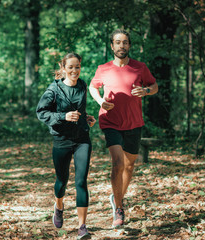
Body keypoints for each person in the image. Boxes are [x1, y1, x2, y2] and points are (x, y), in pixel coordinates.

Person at [89, 29, 158, 228]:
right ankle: (119, 208)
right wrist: (101, 101)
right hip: (110, 122)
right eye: (118, 42)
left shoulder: (140, 67)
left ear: (129, 45)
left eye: (125, 42)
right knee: (118, 163)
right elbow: (93, 87)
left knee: (129, 166)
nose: (121, 46)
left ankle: (116, 197)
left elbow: (154, 86)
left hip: (134, 123)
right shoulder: (103, 68)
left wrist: (145, 90)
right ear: (112, 46)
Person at [36, 52, 96, 239]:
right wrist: (63, 116)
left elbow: (80, 110)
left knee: (81, 181)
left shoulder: (83, 85)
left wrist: (86, 119)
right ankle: (59, 206)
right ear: (63, 68)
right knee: (62, 181)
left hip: (82, 139)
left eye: (77, 66)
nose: (74, 70)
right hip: (61, 141)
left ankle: (82, 227)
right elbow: (41, 113)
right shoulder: (53, 90)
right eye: (70, 67)